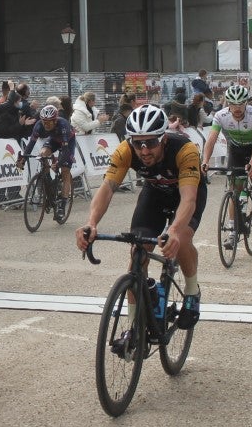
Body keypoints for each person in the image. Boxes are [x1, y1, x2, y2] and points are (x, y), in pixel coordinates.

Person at [76, 104, 205, 330]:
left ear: (163, 138)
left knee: (181, 237)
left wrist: (173, 230)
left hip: (186, 193)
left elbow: (188, 199)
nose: (144, 151)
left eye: (151, 143)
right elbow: (107, 188)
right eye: (138, 143)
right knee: (138, 251)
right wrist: (91, 223)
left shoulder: (185, 150)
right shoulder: (125, 150)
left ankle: (192, 292)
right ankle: (134, 326)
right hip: (155, 193)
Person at [200, 85, 252, 237]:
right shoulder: (221, 116)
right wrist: (205, 160)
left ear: (246, 103)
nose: (237, 108)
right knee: (234, 190)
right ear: (227, 103)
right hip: (236, 149)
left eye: (240, 104)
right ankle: (231, 230)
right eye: (233, 104)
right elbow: (211, 140)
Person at [17, 104, 76, 219]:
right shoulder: (39, 125)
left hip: (68, 141)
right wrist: (23, 158)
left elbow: (64, 150)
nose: (46, 124)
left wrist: (58, 163)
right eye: (44, 121)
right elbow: (31, 144)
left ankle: (62, 206)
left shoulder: (63, 125)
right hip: (53, 140)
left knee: (65, 171)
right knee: (42, 154)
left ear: (55, 120)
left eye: (49, 122)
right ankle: (47, 181)